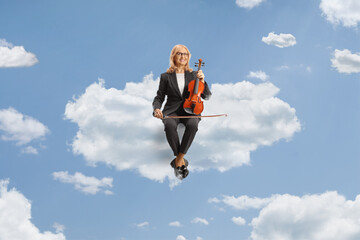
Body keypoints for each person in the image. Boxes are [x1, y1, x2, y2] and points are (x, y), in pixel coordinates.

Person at [152, 44, 211, 179]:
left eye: (185, 54)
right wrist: (156, 109)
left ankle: (179, 159)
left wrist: (203, 80)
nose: (183, 57)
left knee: (193, 125)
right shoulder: (166, 76)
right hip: (172, 110)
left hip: (191, 109)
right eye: (179, 54)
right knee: (169, 126)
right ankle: (182, 161)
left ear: (188, 57)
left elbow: (206, 96)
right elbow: (159, 97)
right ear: (174, 56)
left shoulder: (194, 74)